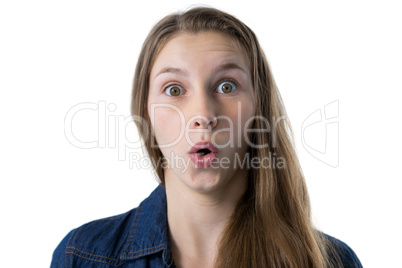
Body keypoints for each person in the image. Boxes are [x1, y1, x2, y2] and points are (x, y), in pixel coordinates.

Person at [51, 7, 362, 268]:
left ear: (260, 108)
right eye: (174, 90)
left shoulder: (332, 261)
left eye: (227, 86)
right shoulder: (83, 256)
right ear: (145, 114)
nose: (203, 113)